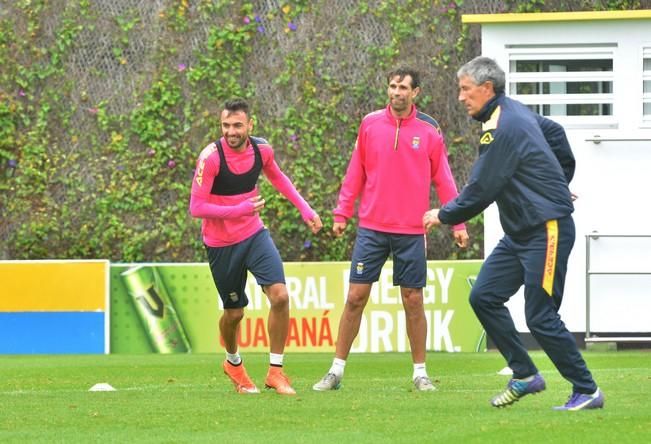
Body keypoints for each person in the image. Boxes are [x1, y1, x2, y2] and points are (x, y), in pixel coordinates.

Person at [423, 56, 604, 411]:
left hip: (546, 228)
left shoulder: (501, 129)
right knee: (484, 296)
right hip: (521, 233)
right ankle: (524, 373)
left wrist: (443, 214)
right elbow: (555, 133)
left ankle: (587, 390)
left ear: (486, 88)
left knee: (539, 315)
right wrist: (553, 181)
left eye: (465, 89)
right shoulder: (511, 111)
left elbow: (482, 189)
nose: (460, 97)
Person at [313, 67, 469, 392]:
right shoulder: (370, 124)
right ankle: (336, 371)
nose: (397, 92)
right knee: (355, 297)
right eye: (393, 86)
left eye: (403, 88)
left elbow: (444, 179)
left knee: (413, 300)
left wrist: (457, 221)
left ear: (416, 93)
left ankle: (420, 373)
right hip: (371, 228)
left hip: (412, 230)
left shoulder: (429, 131)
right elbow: (355, 172)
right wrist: (342, 213)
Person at [189, 98, 323, 395]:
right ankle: (233, 361)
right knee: (234, 314)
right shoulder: (210, 158)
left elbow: (279, 179)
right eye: (225, 125)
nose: (231, 131)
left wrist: (306, 210)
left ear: (251, 125)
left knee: (280, 296)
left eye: (237, 125)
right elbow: (196, 207)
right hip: (221, 244)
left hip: (253, 235)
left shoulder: (262, 150)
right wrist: (239, 208)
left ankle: (276, 371)